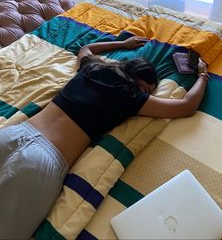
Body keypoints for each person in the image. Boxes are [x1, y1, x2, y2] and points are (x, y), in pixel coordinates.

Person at [0, 36, 209, 239]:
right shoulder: (130, 96)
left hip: (13, 134)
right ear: (138, 82)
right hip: (42, 160)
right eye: (147, 90)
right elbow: (187, 106)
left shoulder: (91, 69)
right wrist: (202, 76)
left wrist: (123, 44)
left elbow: (86, 49)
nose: (148, 95)